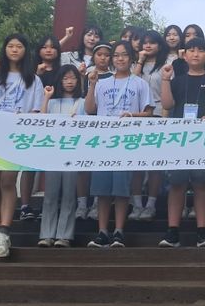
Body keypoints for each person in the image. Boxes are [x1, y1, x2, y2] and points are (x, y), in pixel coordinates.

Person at [0, 33, 44, 258]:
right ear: (4, 50)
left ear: (25, 51)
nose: (14, 50)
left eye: (19, 46)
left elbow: (36, 110)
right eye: (10, 46)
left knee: (8, 180)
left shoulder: (33, 79)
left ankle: (5, 230)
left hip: (16, 135)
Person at [158, 37, 205, 248]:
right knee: (177, 184)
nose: (195, 54)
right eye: (191, 50)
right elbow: (167, 105)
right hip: (179, 140)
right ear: (184, 55)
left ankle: (202, 232)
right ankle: (172, 232)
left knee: (201, 184)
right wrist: (165, 80)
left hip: (204, 140)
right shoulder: (177, 80)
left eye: (200, 50)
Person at [84, 41, 154, 248]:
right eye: (116, 55)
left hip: (127, 141)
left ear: (131, 58)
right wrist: (92, 84)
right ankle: (102, 231)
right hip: (104, 141)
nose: (120, 59)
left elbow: (149, 112)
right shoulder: (102, 83)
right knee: (102, 189)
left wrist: (132, 115)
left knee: (121, 188)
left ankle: (119, 231)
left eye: (124, 55)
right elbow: (90, 109)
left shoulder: (140, 83)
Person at [37, 65, 86, 247]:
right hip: (53, 152)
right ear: (60, 80)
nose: (69, 82)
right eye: (66, 78)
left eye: (73, 78)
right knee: (50, 194)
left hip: (73, 152)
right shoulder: (52, 102)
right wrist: (46, 97)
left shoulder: (82, 102)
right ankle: (46, 234)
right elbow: (41, 120)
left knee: (69, 194)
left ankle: (64, 235)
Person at [18, 34, 63, 222]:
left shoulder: (62, 71)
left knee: (53, 165)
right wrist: (36, 74)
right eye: (44, 47)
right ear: (38, 50)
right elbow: (22, 92)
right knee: (29, 164)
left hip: (57, 121)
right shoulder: (29, 71)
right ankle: (25, 205)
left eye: (52, 47)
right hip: (34, 120)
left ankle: (50, 205)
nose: (49, 50)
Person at [130, 30, 170, 221]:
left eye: (152, 43)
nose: (148, 45)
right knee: (136, 164)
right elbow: (131, 84)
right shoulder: (135, 64)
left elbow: (168, 94)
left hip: (158, 115)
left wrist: (164, 119)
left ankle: (151, 205)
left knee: (154, 165)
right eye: (145, 42)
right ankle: (137, 205)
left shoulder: (166, 65)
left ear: (159, 46)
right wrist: (140, 61)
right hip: (137, 117)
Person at [75, 42, 113, 220]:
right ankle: (82, 204)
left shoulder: (114, 77)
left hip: (106, 126)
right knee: (83, 166)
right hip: (86, 122)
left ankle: (98, 202)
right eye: (99, 54)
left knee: (100, 167)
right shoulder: (86, 74)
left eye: (107, 55)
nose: (103, 58)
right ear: (94, 56)